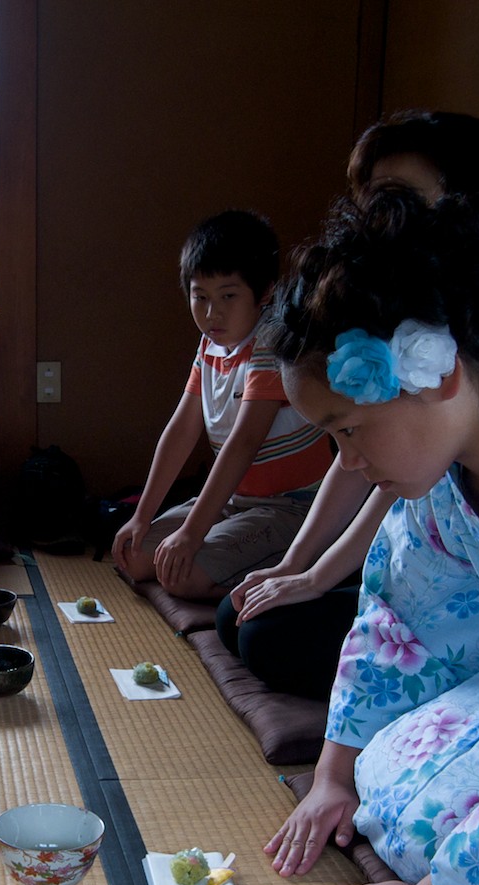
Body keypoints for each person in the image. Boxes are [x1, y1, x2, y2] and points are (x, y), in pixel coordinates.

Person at [263, 186, 479, 885]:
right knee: (385, 784)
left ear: (435, 373)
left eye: (349, 431)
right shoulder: (448, 474)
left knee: (440, 847)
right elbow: (397, 617)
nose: (347, 462)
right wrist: (330, 779)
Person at [217, 109, 479, 699]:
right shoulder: (379, 337)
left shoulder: (476, 333)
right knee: (242, 617)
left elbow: (387, 463)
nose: (388, 221)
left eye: (404, 198)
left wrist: (317, 574)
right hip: (426, 567)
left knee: (270, 635)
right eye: (373, 201)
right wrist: (298, 566)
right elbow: (361, 455)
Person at [111, 210, 333, 600]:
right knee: (136, 555)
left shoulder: (269, 341)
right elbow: (181, 431)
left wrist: (192, 533)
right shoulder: (210, 344)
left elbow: (243, 443)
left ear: (263, 293)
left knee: (180, 576)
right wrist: (141, 516)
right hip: (234, 502)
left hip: (287, 508)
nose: (212, 313)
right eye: (201, 297)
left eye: (228, 296)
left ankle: (297, 562)